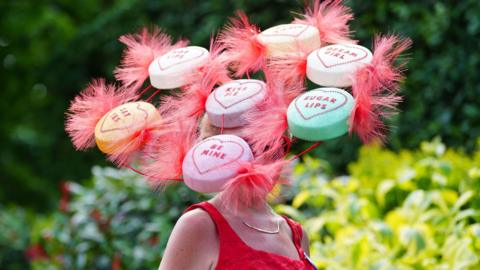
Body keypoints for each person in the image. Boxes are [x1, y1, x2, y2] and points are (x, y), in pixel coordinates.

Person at [158, 116, 315, 270]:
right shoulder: (200, 225)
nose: (260, 158)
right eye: (243, 147)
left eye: (271, 146)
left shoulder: (296, 235)